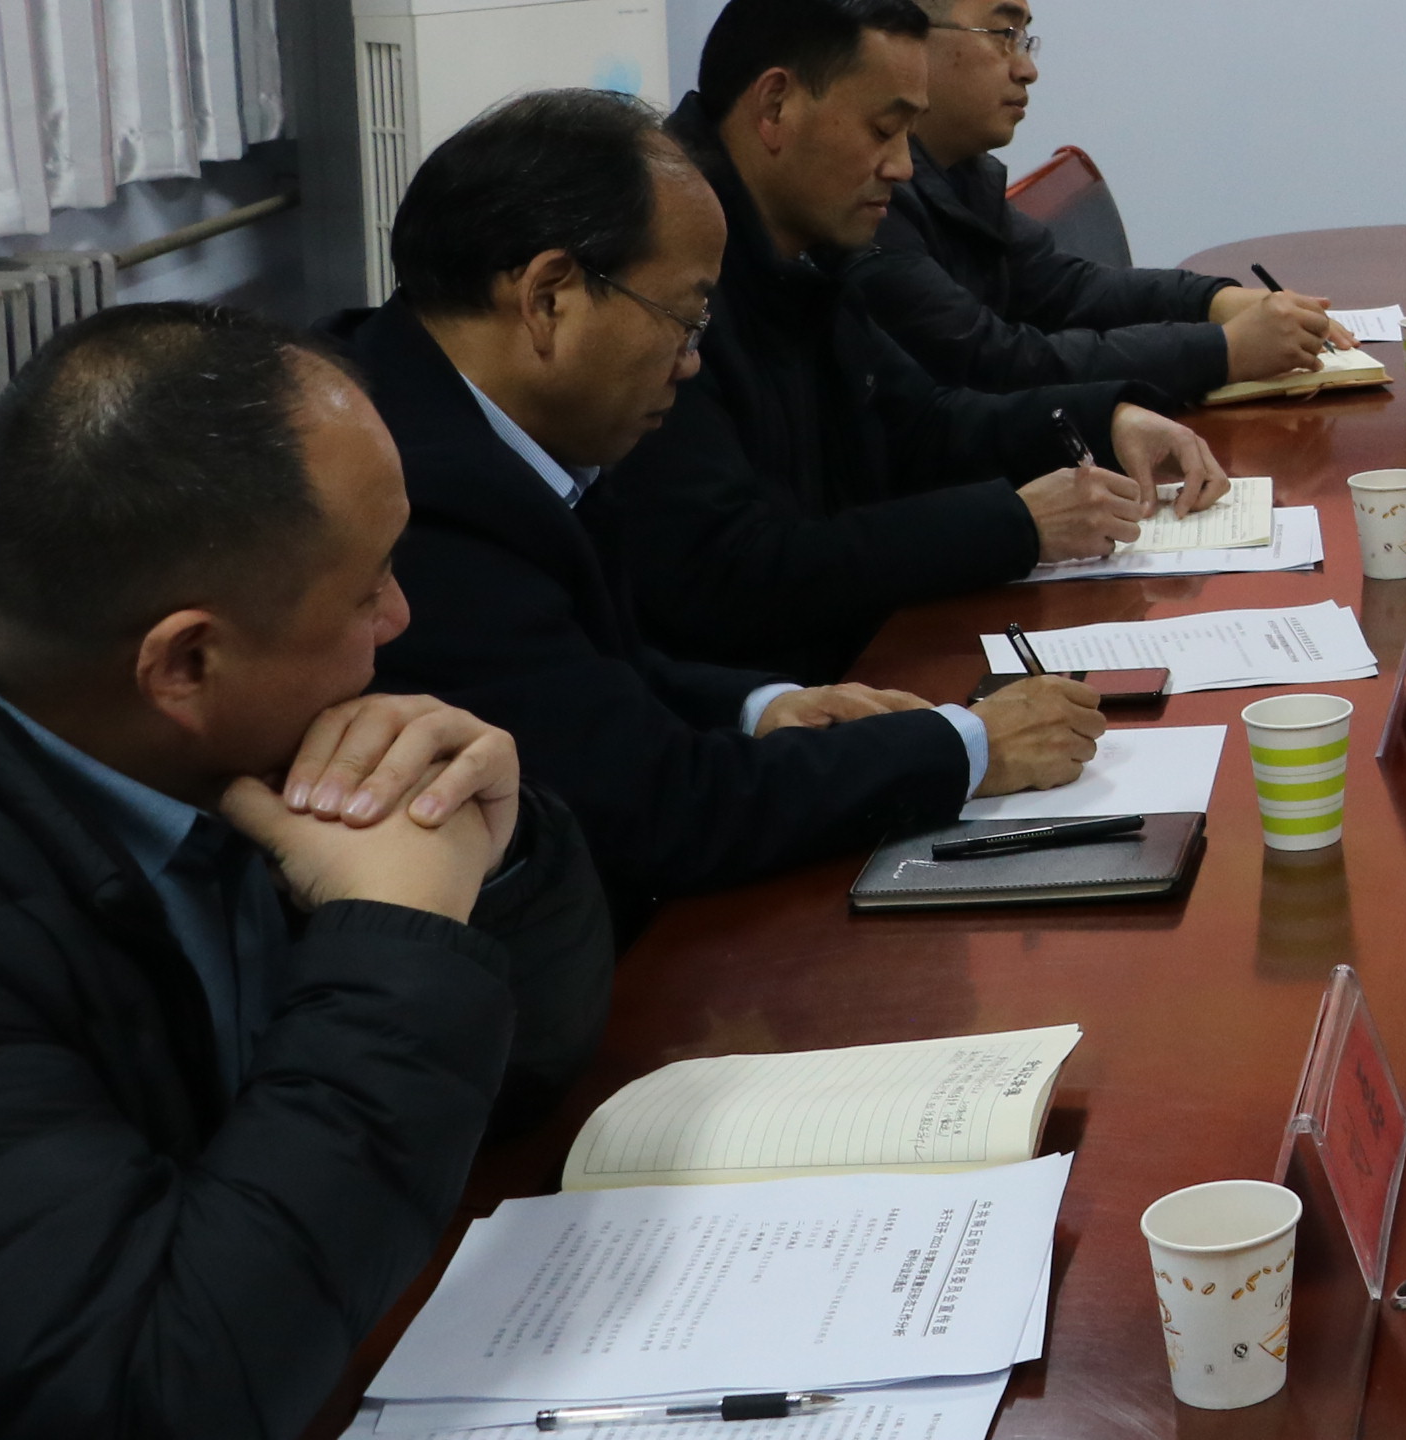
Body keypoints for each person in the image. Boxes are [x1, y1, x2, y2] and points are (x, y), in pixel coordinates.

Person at [0, 303, 614, 1440]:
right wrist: (397, 938)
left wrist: (491, 868)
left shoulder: (210, 732)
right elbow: (160, 1389)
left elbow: (522, 1075)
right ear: (187, 663)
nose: (401, 615)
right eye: (368, 586)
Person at [360, 89, 1108, 930]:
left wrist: (761, 707)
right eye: (683, 321)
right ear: (548, 299)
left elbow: (595, 676)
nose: (690, 363)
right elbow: (658, 808)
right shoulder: (415, 496)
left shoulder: (456, 407)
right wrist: (969, 747)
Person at [599, 0, 1229, 681]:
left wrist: (1107, 417)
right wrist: (1015, 525)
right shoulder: (659, 274)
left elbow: (922, 423)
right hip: (760, 700)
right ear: (775, 106)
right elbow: (726, 572)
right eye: (883, 129)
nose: (902, 167)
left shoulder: (803, 246)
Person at [844, 0, 1343, 399]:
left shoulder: (962, 172)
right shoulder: (870, 200)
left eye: (1025, 39)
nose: (1027, 69)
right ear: (907, 39)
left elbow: (1067, 289)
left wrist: (1215, 301)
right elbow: (994, 363)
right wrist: (1223, 350)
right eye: (1003, 35)